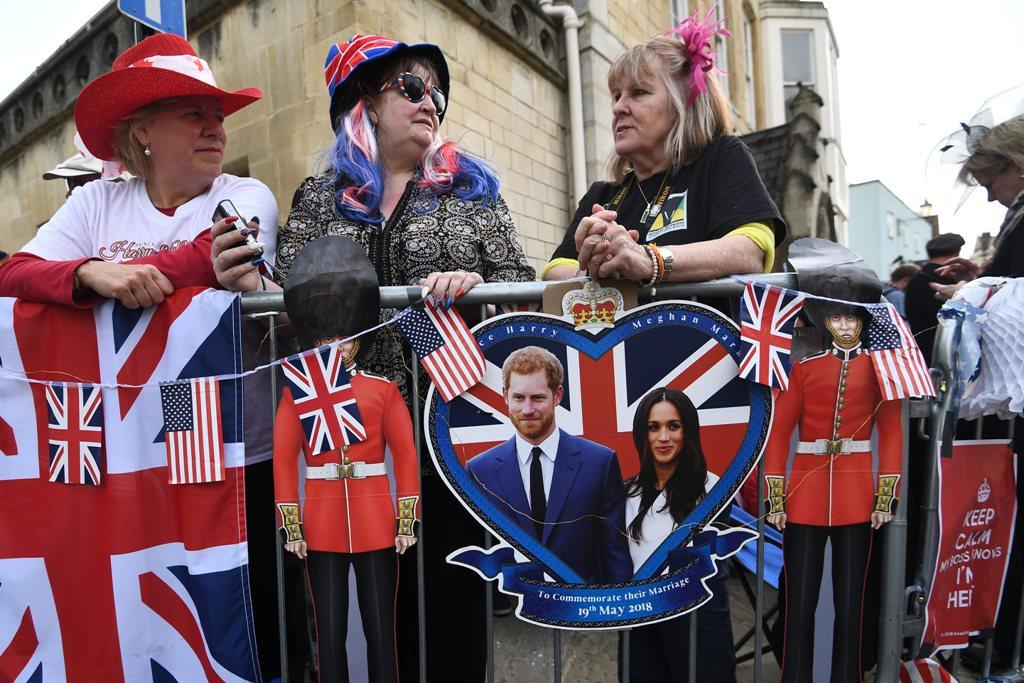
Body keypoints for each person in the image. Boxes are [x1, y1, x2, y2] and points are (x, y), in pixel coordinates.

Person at [0, 33, 298, 679]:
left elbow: (220, 252)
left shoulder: (247, 194)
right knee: (138, 607)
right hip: (119, 456)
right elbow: (16, 272)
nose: (216, 126)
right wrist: (89, 273)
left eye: (218, 113)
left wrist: (99, 274)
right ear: (142, 131)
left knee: (240, 623)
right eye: (195, 112)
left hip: (231, 452)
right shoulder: (93, 200)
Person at [273, 34, 534, 680]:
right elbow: (283, 302)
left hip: (447, 454)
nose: (430, 102)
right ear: (364, 100)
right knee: (362, 637)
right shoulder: (319, 199)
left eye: (437, 93)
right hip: (348, 458)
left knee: (449, 631)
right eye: (412, 88)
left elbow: (524, 297)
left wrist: (482, 293)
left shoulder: (471, 193)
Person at [543, 11, 785, 285]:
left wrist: (648, 260)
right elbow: (555, 270)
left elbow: (750, 249)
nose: (618, 107)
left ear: (684, 105)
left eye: (639, 93)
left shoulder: (720, 158)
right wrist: (598, 264)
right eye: (616, 95)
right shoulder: (603, 194)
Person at [276, 237, 419, 683]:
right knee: (330, 630)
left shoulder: (382, 390)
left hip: (376, 520)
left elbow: (406, 456)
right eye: (326, 337)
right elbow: (283, 464)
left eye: (343, 337)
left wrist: (405, 520)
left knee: (382, 630)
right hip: (321, 525)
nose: (337, 345)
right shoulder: (296, 394)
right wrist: (292, 527)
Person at [765, 299, 902, 683]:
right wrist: (776, 496)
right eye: (838, 317)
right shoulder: (804, 371)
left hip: (857, 495)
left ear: (862, 323)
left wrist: (884, 496)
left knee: (851, 601)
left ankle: (849, 675)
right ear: (827, 322)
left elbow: (891, 434)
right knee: (800, 601)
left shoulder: (881, 372)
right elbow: (779, 434)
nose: (844, 325)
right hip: (805, 495)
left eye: (852, 317)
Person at [465, 345, 632, 584]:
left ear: (557, 395)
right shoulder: (479, 470)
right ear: (505, 396)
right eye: (519, 398)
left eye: (538, 398)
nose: (528, 409)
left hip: (582, 609)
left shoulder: (599, 463)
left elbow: (614, 549)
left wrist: (620, 610)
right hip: (513, 615)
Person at [619, 387, 734, 683]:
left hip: (699, 615)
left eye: (673, 426)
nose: (663, 437)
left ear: (689, 431)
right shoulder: (627, 492)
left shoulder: (714, 489)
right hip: (642, 615)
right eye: (653, 427)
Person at [904, 233, 965, 365]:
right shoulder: (952, 279)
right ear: (956, 254)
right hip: (951, 355)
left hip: (921, 353)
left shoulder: (915, 279)